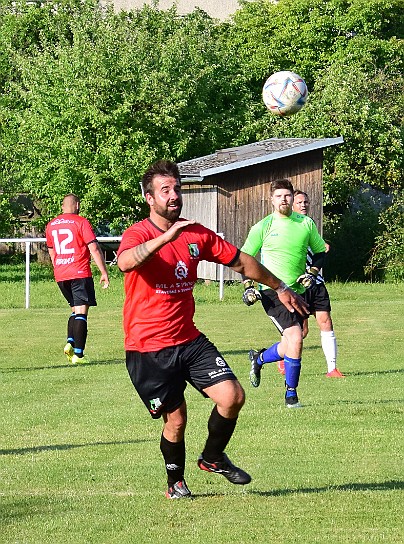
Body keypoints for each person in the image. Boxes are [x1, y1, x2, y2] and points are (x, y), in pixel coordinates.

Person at [117, 160, 308, 499]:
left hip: (188, 339)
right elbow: (126, 261)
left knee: (233, 396)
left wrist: (279, 286)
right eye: (166, 190)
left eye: (177, 188)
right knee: (176, 420)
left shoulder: (196, 233)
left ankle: (212, 457)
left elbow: (241, 261)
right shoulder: (139, 233)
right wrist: (166, 238)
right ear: (149, 198)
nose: (175, 195)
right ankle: (175, 483)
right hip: (147, 348)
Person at [241, 178, 326, 408]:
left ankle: (258, 359)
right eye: (279, 196)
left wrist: (312, 271)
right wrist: (248, 287)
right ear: (271, 200)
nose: (284, 200)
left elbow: (320, 251)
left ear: (292, 197)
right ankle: (291, 396)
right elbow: (244, 260)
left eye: (287, 195)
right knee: (296, 337)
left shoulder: (305, 223)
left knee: (290, 342)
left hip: (297, 292)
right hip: (271, 293)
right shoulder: (262, 227)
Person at [46, 193, 110, 364]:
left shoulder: (51, 225)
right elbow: (94, 248)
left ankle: (70, 342)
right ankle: (78, 355)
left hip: (61, 274)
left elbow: (52, 252)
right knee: (82, 312)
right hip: (79, 272)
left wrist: (59, 268)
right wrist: (104, 272)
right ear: (77, 205)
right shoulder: (81, 222)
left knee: (75, 309)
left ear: (62, 207)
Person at [291, 190, 345, 378]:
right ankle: (281, 357)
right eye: (299, 202)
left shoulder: (309, 224)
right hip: (295, 284)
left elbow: (318, 247)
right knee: (300, 331)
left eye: (306, 201)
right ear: (292, 205)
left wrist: (323, 246)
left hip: (316, 281)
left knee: (325, 320)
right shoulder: (286, 225)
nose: (303, 205)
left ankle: (332, 369)